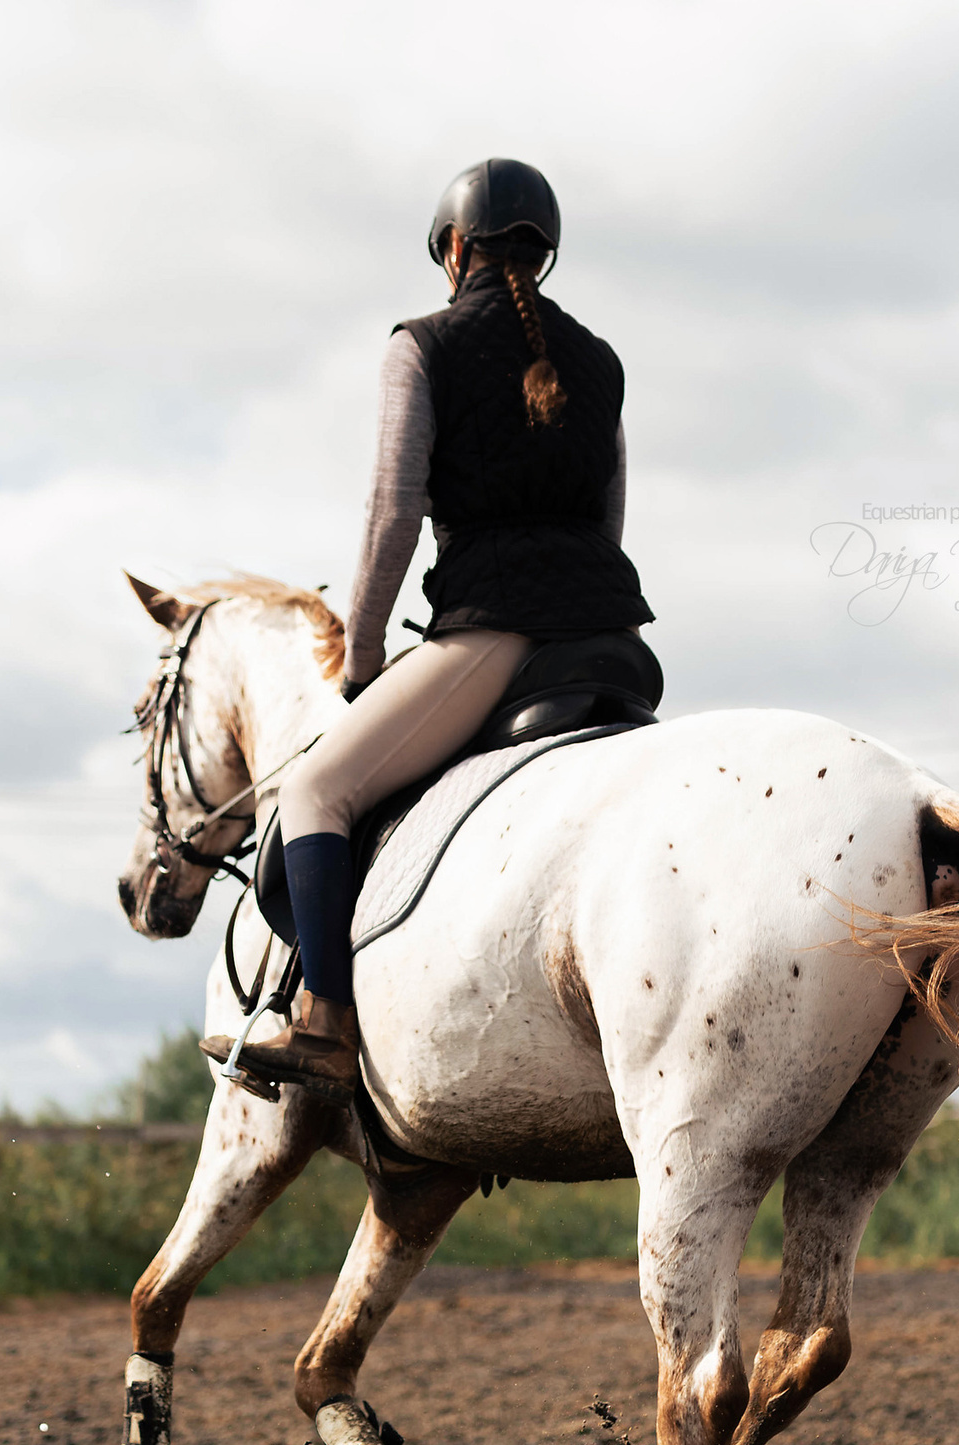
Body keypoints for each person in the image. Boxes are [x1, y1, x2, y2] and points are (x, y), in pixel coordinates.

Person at [204, 158, 654, 1090]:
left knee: (318, 789)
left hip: (494, 635)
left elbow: (391, 512)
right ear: (546, 254)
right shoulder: (601, 363)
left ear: (453, 251)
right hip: (616, 642)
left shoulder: (424, 346)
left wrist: (363, 656)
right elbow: (608, 517)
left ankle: (324, 1019)